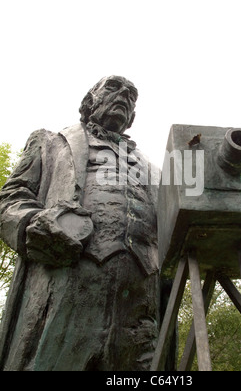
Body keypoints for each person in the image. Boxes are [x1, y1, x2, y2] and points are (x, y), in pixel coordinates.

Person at [0, 76, 161, 371]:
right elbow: (10, 199)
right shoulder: (49, 143)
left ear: (133, 116)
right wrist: (32, 222)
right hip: (66, 284)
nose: (125, 95)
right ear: (89, 101)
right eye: (113, 87)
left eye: (132, 94)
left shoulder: (154, 170)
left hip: (141, 297)